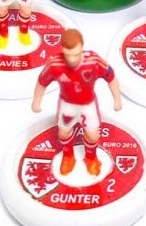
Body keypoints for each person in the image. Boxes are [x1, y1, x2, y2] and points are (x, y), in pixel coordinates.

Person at [32, 29, 122, 176]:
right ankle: (68, 156)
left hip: (88, 106)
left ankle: (91, 158)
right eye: (68, 55)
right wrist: (36, 101)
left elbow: (111, 77)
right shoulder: (55, 64)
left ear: (81, 47)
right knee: (64, 132)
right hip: (67, 105)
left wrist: (117, 99)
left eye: (76, 54)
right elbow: (42, 82)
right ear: (62, 49)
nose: (72, 59)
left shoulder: (93, 61)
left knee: (93, 134)